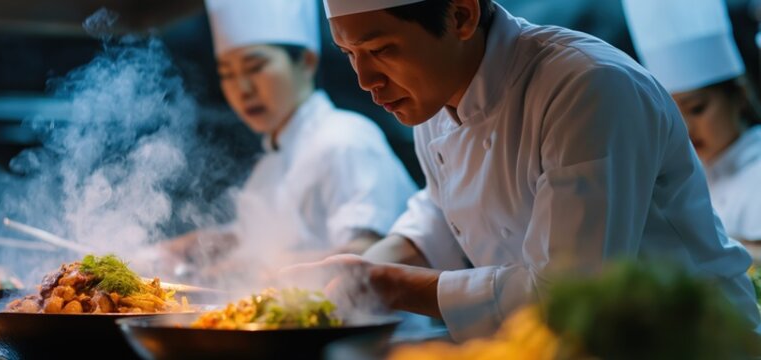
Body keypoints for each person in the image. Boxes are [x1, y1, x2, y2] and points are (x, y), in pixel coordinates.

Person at [289, 0, 761, 341]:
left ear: (461, 15)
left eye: (382, 50)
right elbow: (444, 213)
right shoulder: (429, 98)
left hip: (688, 342)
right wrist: (355, 272)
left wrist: (384, 283)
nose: (365, 81)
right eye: (350, 55)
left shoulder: (586, 86)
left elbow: (570, 290)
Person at [156, 0, 417, 276]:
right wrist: (190, 247)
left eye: (255, 67)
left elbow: (370, 251)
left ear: (306, 62)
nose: (241, 88)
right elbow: (255, 237)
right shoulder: (270, 162)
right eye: (227, 74)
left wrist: (263, 270)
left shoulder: (345, 139)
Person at [625, 0, 761, 247]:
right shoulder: (673, 185)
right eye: (672, 117)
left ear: (739, 95)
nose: (684, 128)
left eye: (697, 108)